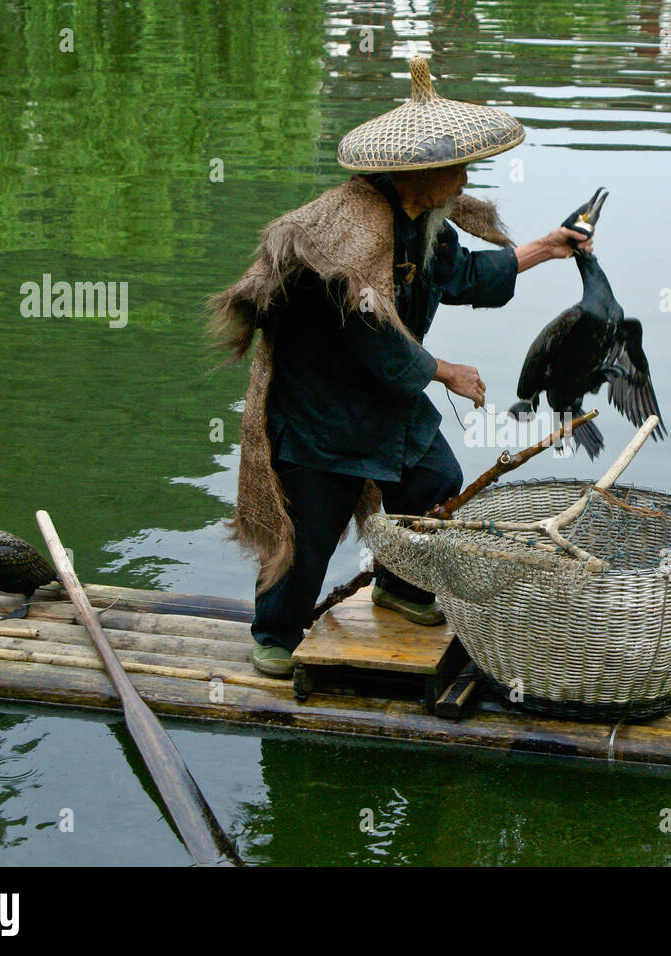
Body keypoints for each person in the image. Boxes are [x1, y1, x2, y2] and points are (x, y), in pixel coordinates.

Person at [210, 57, 594, 676]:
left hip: (386, 395)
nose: (466, 178)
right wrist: (446, 372)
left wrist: (549, 247)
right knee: (309, 534)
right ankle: (274, 635)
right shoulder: (350, 231)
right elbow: (369, 340)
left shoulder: (425, 221)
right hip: (322, 409)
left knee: (434, 481)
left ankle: (401, 586)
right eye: (458, 167)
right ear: (422, 172)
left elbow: (464, 275)